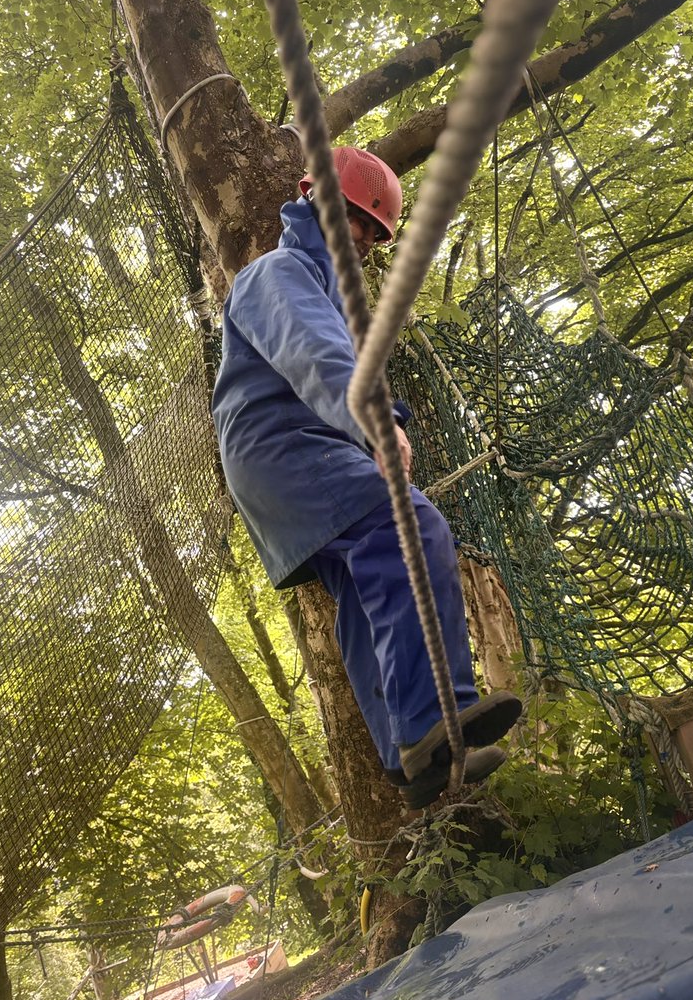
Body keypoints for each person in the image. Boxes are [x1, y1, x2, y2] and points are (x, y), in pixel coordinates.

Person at [212, 146, 521, 808]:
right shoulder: (278, 272)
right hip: (285, 448)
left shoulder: (329, 296)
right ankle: (436, 718)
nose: (362, 237)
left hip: (293, 457)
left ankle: (407, 757)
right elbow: (315, 355)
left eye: (375, 231)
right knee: (412, 527)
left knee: (362, 587)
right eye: (354, 216)